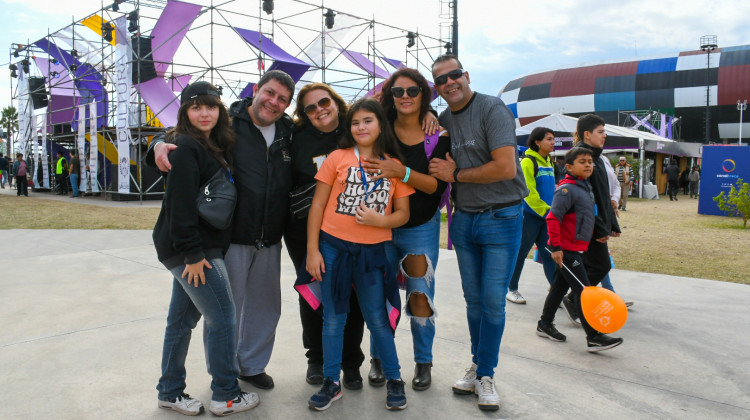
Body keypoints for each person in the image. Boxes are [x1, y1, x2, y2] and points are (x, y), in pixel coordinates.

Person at [151, 70, 296, 391]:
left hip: (271, 237)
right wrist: (157, 144)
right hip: (230, 236)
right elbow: (183, 137)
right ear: (257, 90)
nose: (273, 102)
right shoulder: (226, 120)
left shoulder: (289, 131)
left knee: (265, 308)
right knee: (225, 312)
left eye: (282, 99)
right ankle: (225, 373)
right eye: (269, 93)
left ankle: (252, 366)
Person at [428, 54, 528, 412]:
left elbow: (504, 168)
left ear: (466, 75)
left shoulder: (492, 109)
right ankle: (477, 365)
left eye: (454, 75)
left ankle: (486, 374)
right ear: (436, 89)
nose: (449, 82)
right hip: (465, 219)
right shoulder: (441, 119)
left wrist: (455, 176)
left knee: (492, 301)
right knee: (473, 301)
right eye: (440, 80)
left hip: (502, 216)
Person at [152, 81, 258, 417]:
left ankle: (169, 391)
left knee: (180, 321)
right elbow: (180, 206)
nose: (204, 113)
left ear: (219, 110)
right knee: (223, 319)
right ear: (185, 112)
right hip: (195, 252)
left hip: (194, 248)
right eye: (196, 107)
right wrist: (194, 256)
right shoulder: (185, 146)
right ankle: (226, 393)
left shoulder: (210, 145)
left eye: (210, 106)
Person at [305, 98, 414, 411]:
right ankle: (331, 382)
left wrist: (382, 221)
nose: (361, 127)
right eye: (355, 122)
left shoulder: (392, 164)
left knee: (377, 319)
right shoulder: (337, 158)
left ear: (380, 124)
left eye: (368, 121)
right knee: (333, 319)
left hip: (372, 253)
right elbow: (317, 205)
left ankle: (394, 379)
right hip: (333, 247)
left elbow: (403, 214)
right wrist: (313, 250)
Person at [361, 68, 450, 391]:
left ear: (424, 95)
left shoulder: (437, 136)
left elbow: (436, 187)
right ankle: (379, 359)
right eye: (398, 92)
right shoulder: (379, 128)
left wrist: (403, 172)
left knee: (420, 297)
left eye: (413, 91)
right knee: (379, 296)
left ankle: (423, 362)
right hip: (380, 226)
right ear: (389, 96)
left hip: (419, 228)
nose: (406, 97)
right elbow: (356, 114)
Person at [285, 83, 366, 390]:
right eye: (310, 107)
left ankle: (350, 361)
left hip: (353, 226)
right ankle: (316, 358)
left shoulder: (356, 127)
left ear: (335, 101)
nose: (320, 109)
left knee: (353, 294)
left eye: (324, 102)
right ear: (303, 114)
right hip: (306, 227)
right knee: (313, 292)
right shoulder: (296, 138)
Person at [536, 114, 623, 351]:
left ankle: (544, 323)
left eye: (590, 163)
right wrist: (555, 246)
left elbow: (592, 210)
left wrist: (609, 225)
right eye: (583, 162)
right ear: (570, 166)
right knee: (584, 290)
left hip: (576, 247)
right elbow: (553, 217)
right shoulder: (567, 190)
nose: (588, 165)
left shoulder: (584, 186)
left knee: (561, 285)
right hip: (567, 249)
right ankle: (593, 336)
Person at [507, 127, 557, 305]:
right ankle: (512, 289)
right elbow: (528, 192)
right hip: (530, 217)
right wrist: (547, 211)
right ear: (537, 142)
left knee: (550, 254)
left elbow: (552, 189)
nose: (553, 142)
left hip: (546, 218)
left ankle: (556, 291)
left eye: (553, 139)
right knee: (520, 253)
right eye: (549, 139)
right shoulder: (528, 162)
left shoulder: (549, 161)